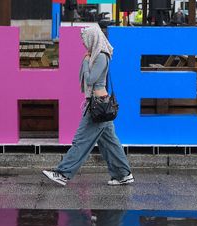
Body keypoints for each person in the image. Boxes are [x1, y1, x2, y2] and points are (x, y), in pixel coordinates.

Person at [42, 25, 133, 186]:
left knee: (81, 140)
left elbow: (90, 80)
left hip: (98, 106)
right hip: (99, 104)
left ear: (93, 38)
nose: (83, 43)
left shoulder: (101, 56)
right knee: (110, 143)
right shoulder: (96, 55)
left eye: (85, 40)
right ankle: (123, 175)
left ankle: (63, 173)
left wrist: (85, 62)